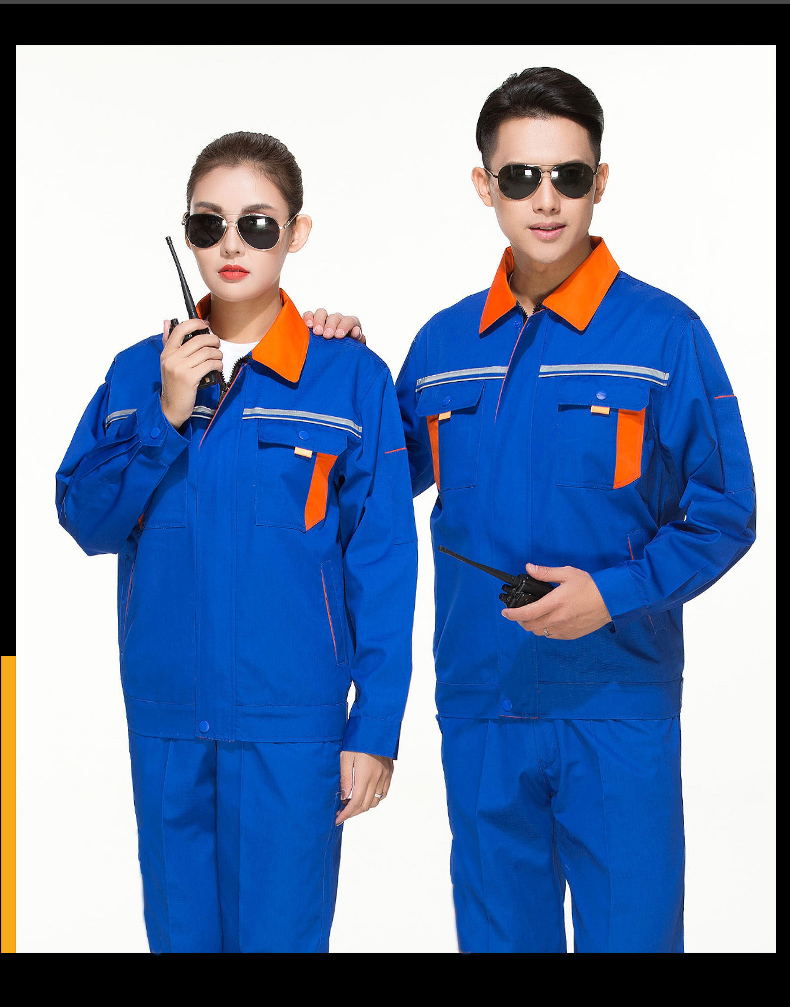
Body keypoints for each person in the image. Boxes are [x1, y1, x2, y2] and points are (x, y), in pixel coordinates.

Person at [305, 67, 756, 953]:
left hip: (617, 704)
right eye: (520, 177)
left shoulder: (664, 336)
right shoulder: (444, 347)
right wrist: (336, 370)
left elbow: (725, 511)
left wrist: (614, 593)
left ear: (600, 181)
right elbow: (367, 491)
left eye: (568, 176)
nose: (545, 200)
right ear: (485, 186)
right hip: (483, 703)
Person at [55, 131, 417, 954]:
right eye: (208, 224)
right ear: (187, 234)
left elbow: (383, 563)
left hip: (293, 723)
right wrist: (164, 413)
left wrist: (375, 727)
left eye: (257, 224)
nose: (230, 244)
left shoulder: (350, 376)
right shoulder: (137, 372)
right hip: (168, 717)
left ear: (296, 232)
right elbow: (84, 517)